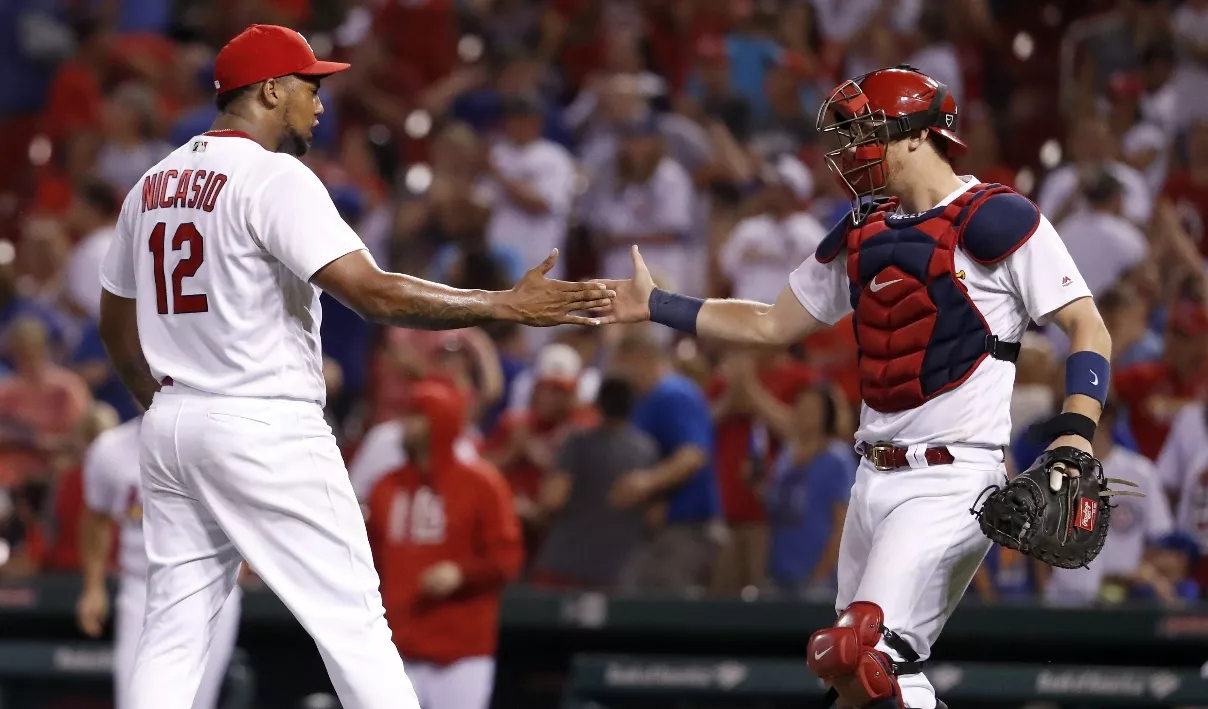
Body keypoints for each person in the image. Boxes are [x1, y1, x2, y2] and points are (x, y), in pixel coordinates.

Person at [96, 24, 612, 709]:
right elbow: (372, 292)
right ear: (271, 89)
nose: (319, 102)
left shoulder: (152, 183)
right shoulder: (273, 176)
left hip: (172, 423)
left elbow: (114, 320)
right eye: (310, 86)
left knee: (173, 629)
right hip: (262, 419)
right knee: (354, 622)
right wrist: (505, 304)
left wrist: (159, 404)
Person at [593, 65, 1111, 709]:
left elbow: (1087, 325)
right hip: (872, 477)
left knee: (858, 654)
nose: (850, 147)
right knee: (854, 681)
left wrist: (1076, 435)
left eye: (866, 130)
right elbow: (771, 323)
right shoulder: (865, 226)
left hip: (952, 478)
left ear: (920, 135)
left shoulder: (998, 216)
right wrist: (659, 305)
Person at [365, 381, 522, 709]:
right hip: (397, 648)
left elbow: (507, 558)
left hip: (461, 653)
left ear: (442, 421)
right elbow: (368, 561)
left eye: (418, 416)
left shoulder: (482, 484)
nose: (406, 426)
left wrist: (462, 574)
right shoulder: (385, 487)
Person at [76, 414, 242, 709]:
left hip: (210, 586)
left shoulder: (227, 437)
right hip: (143, 587)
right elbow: (97, 518)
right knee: (136, 701)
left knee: (195, 703)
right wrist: (93, 587)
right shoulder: (110, 450)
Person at [608, 330, 721, 592]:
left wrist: (646, 484)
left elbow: (693, 455)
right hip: (660, 530)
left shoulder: (673, 393)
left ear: (639, 360)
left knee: (669, 615)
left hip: (686, 527)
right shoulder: (645, 399)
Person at [530, 377, 660, 590]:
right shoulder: (647, 450)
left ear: (598, 404)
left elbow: (552, 499)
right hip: (617, 572)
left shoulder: (577, 443)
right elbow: (654, 517)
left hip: (565, 566)